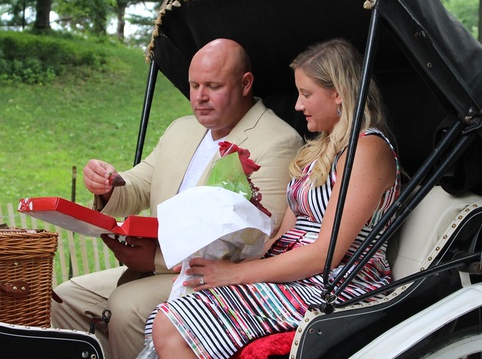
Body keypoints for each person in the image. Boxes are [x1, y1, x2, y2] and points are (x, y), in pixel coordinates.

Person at [144, 38, 401, 358]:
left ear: (338, 93)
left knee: (173, 324)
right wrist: (230, 261)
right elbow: (282, 235)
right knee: (179, 306)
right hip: (297, 275)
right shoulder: (318, 152)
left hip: (338, 285)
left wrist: (236, 275)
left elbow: (326, 253)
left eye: (306, 94)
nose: (298, 105)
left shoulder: (368, 149)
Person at [51, 38, 304, 359]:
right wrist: (108, 185)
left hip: (214, 280)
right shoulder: (181, 129)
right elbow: (138, 185)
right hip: (152, 268)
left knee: (125, 306)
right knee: (66, 298)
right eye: (194, 85)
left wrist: (155, 258)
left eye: (213, 86)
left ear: (245, 84)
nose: (199, 97)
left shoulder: (278, 141)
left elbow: (257, 243)